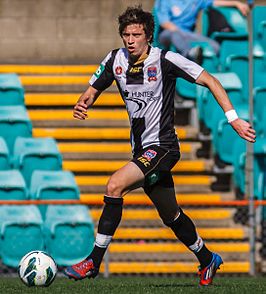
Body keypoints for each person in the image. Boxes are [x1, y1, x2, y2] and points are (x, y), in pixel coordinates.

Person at [64, 5, 256, 286]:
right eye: (126, 34)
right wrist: (83, 102)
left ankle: (93, 261)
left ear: (148, 36)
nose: (130, 40)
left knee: (115, 185)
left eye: (136, 34)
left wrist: (234, 119)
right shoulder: (115, 59)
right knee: (172, 215)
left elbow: (211, 80)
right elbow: (93, 88)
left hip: (163, 146)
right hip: (141, 151)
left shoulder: (166, 59)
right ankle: (207, 259)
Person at [154, 0, 250, 63]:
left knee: (214, 46)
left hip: (188, 34)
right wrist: (183, 34)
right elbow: (165, 23)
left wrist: (237, 3)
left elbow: (215, 2)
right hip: (167, 34)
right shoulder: (165, 1)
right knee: (175, 35)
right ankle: (189, 54)